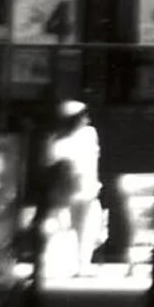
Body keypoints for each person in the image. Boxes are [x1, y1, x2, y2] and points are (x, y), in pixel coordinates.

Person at [24, 99, 102, 283]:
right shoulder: (57, 139)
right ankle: (55, 264)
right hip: (65, 191)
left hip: (83, 189)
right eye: (81, 117)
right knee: (59, 227)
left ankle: (82, 264)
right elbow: (50, 164)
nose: (86, 120)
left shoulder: (87, 134)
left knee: (85, 228)